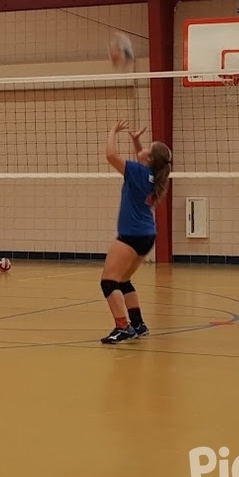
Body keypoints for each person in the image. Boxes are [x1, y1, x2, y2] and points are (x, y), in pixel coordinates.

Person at [98, 120, 171, 344]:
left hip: (131, 235)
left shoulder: (138, 172)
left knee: (108, 282)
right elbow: (144, 159)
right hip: (146, 235)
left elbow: (111, 156)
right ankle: (138, 324)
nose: (143, 149)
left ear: (149, 159)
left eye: (148, 147)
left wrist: (112, 131)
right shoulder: (152, 175)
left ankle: (123, 327)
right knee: (124, 280)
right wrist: (137, 141)